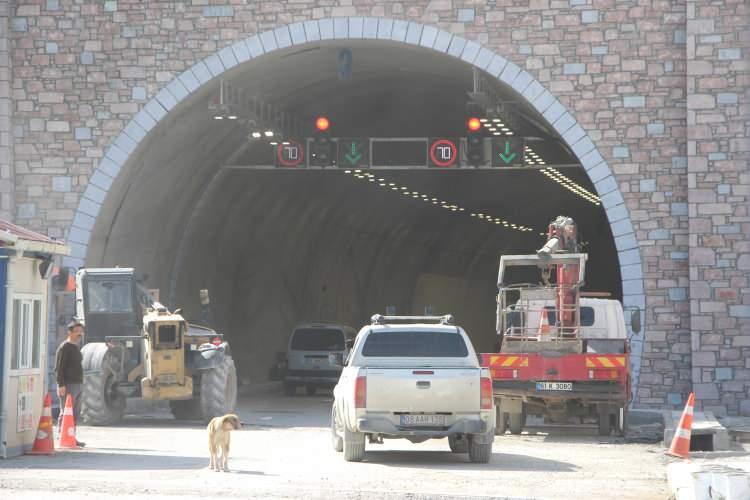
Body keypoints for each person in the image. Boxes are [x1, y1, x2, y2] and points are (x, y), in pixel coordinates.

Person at [55, 319, 86, 447]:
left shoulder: (76, 347)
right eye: (77, 332)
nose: (80, 334)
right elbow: (59, 367)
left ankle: (71, 436)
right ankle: (62, 435)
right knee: (66, 411)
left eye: (81, 331)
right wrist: (61, 384)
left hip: (78, 384)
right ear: (70, 333)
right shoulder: (64, 347)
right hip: (68, 384)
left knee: (75, 412)